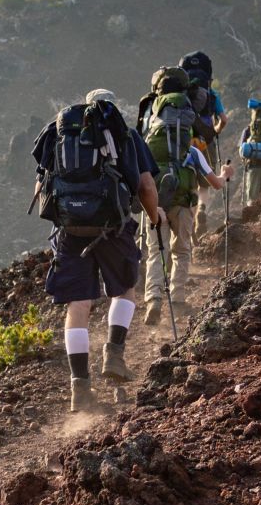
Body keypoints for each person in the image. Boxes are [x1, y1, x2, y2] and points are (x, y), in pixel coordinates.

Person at [33, 89, 165, 411]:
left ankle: (80, 388)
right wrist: (153, 216)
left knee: (77, 306)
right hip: (112, 228)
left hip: (70, 231)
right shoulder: (125, 134)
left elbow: (40, 188)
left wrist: (69, 213)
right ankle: (114, 356)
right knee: (124, 291)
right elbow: (146, 186)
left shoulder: (58, 134)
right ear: (112, 107)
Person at [139, 68, 234, 325]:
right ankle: (178, 300)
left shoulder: (148, 144)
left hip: (154, 203)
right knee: (181, 251)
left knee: (155, 252)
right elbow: (215, 184)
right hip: (183, 202)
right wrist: (225, 173)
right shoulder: (192, 151)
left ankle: (154, 299)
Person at [179, 52, 230, 235]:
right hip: (206, 141)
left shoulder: (181, 94)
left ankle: (190, 221)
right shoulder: (211, 94)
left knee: (189, 184)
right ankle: (201, 209)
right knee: (204, 184)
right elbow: (223, 119)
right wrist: (215, 131)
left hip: (184, 141)